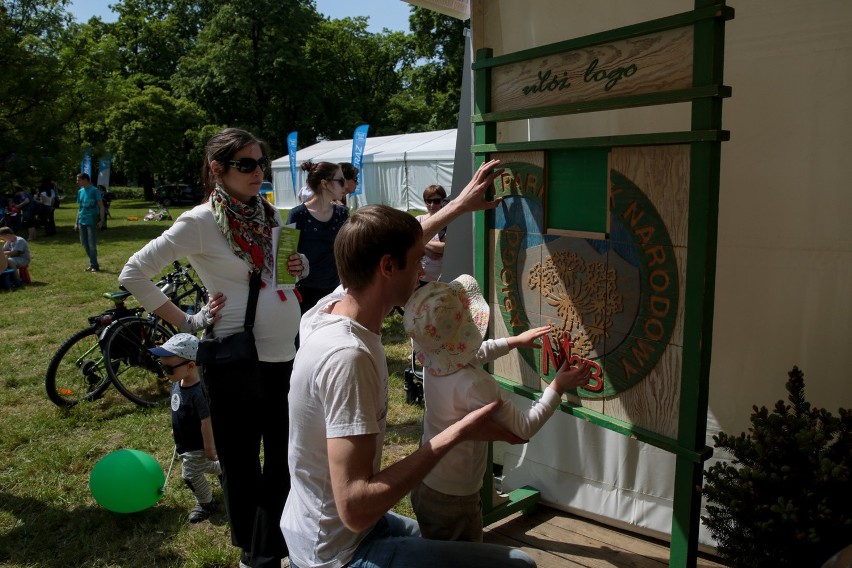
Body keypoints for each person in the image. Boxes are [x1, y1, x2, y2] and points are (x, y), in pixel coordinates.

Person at [283, 159, 549, 568]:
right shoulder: (347, 359)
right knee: (521, 565)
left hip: (321, 527)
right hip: (339, 552)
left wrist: (457, 205)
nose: (424, 267)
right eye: (418, 259)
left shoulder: (327, 308)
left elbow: (383, 246)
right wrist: (456, 434)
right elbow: (355, 507)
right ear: (388, 267)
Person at [120, 128, 306, 568]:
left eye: (261, 162)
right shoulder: (200, 222)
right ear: (217, 170)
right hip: (237, 361)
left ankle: (276, 545)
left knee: (284, 460)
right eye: (246, 164)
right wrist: (187, 322)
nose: (258, 171)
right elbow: (134, 273)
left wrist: (299, 266)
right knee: (242, 465)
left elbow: (282, 276)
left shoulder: (268, 214)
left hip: (285, 354)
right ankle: (255, 554)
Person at [404, 275, 594, 542]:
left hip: (426, 479)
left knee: (434, 550)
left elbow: (470, 354)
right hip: (456, 498)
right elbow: (524, 428)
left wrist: (513, 341)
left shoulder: (433, 359)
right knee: (460, 560)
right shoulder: (477, 385)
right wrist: (557, 387)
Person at [149, 333, 222, 524]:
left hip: (196, 444)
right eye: (161, 366)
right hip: (184, 441)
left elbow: (206, 422)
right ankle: (227, 470)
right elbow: (177, 408)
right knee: (205, 467)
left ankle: (206, 503)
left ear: (191, 366)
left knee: (190, 475)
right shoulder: (177, 382)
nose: (164, 372)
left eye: (168, 368)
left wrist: (209, 448)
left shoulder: (199, 392)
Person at [285, 161, 348, 315]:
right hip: (305, 292)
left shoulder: (342, 214)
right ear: (325, 184)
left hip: (336, 291)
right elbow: (285, 256)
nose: (345, 185)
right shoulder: (297, 214)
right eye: (340, 181)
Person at [416, 184, 448, 284]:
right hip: (421, 279)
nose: (432, 205)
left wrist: (422, 243)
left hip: (443, 279)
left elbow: (446, 248)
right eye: (428, 201)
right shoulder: (418, 220)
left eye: (437, 201)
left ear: (443, 201)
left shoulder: (447, 222)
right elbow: (410, 245)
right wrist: (427, 249)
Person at [74, 173, 104, 272]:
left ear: (85, 180)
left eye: (79, 180)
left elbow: (101, 206)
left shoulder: (94, 190)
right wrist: (76, 222)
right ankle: (93, 264)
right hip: (82, 220)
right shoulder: (80, 191)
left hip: (92, 220)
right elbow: (80, 208)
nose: (77, 182)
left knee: (92, 244)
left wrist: (101, 220)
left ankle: (94, 265)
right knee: (84, 243)